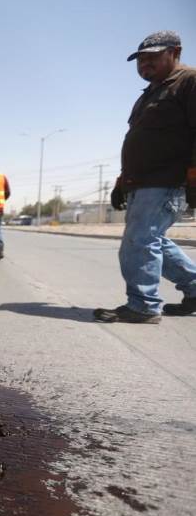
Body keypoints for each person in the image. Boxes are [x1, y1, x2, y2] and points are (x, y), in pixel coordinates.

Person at [94, 31, 196, 324]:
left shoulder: (189, 82)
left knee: (140, 241)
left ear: (175, 52)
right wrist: (121, 181)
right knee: (152, 240)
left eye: (153, 58)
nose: (145, 65)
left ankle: (143, 306)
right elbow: (140, 142)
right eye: (140, 60)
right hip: (142, 182)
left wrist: (193, 176)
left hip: (166, 181)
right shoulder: (151, 94)